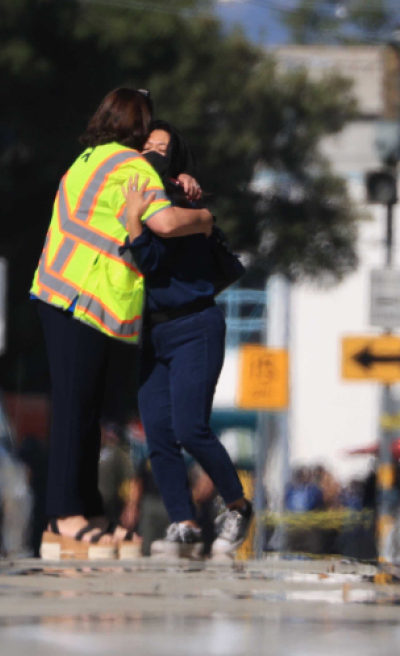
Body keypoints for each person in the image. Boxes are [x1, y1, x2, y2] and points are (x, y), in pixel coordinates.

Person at [31, 89, 215, 559]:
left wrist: (176, 181)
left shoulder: (91, 158)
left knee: (86, 414)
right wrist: (205, 218)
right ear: (137, 125)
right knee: (76, 410)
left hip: (63, 292)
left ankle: (85, 512)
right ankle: (63, 516)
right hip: (81, 298)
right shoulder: (130, 167)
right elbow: (168, 223)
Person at [120, 122, 254, 559]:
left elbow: (156, 259)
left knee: (191, 429)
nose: (153, 154)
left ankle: (236, 505)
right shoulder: (129, 196)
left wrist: (136, 227)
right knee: (157, 432)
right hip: (153, 332)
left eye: (163, 148)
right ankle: (184, 523)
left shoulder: (180, 205)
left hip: (195, 324)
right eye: (147, 147)